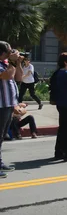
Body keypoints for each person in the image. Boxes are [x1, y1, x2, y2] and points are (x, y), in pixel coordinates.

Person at [0, 42, 23, 177]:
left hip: (8, 104)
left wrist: (18, 63)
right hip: (1, 105)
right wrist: (12, 62)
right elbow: (6, 76)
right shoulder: (4, 66)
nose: (11, 54)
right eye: (9, 52)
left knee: (2, 136)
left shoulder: (7, 64)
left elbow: (18, 78)